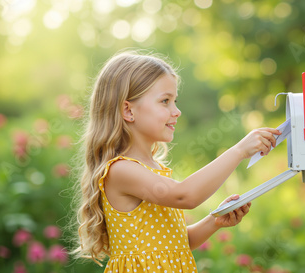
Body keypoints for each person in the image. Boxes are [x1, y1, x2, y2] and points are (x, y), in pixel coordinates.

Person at [72, 50, 281, 272]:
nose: (177, 111)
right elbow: (186, 195)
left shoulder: (154, 169)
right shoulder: (120, 170)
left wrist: (214, 221)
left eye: (175, 101)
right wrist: (239, 150)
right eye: (165, 101)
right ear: (128, 110)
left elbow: (177, 243)